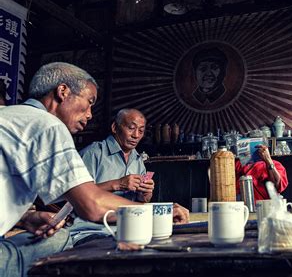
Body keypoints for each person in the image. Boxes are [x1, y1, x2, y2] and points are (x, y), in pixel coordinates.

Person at [0, 62, 189, 277]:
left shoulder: (10, 116)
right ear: (63, 92)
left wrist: (24, 218)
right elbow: (91, 205)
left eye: (141, 130)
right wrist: (159, 213)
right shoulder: (48, 125)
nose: (90, 114)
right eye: (89, 102)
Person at [69, 108, 156, 245]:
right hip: (93, 231)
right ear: (115, 127)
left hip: (127, 229)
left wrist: (145, 195)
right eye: (131, 128)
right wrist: (118, 183)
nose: (136, 135)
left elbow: (139, 203)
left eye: (141, 130)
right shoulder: (93, 153)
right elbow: (76, 196)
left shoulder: (137, 160)